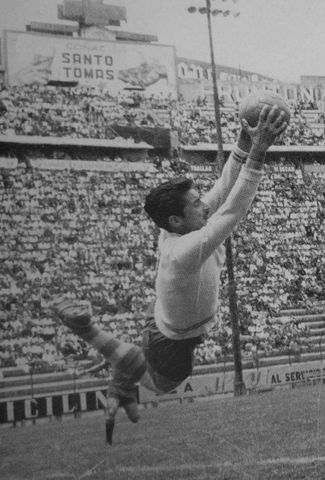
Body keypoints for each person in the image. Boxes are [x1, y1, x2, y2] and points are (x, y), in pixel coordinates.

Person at [50, 104, 289, 435]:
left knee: (137, 360)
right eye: (195, 204)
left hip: (163, 317)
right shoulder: (185, 250)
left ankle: (115, 369)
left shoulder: (178, 228)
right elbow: (233, 209)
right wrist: (258, 151)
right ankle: (88, 332)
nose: (203, 204)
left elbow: (222, 189)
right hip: (171, 341)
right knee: (158, 383)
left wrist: (243, 141)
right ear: (177, 219)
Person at [79, 359, 140, 446]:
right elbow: (100, 366)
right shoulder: (112, 355)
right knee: (111, 411)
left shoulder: (132, 355)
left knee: (135, 418)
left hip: (128, 390)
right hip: (115, 388)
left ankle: (126, 406)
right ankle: (108, 441)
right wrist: (86, 371)